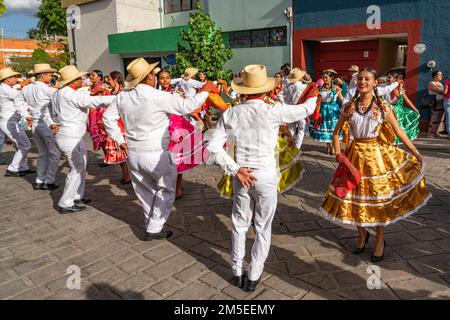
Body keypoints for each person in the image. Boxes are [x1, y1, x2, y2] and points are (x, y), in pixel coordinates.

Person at [205, 64, 317, 292]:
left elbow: (213, 147)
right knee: (263, 227)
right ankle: (253, 274)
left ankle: (237, 271)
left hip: (242, 174)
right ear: (266, 90)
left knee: (239, 224)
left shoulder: (230, 112)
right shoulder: (273, 110)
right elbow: (305, 109)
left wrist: (236, 169)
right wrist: (314, 91)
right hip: (265, 174)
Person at [319, 67, 431, 263]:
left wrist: (414, 151)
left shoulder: (383, 107)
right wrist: (338, 156)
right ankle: (362, 235)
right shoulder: (348, 107)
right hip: (353, 157)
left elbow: (398, 131)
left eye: (367, 79)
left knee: (377, 200)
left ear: (374, 83)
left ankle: (379, 238)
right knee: (352, 198)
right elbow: (336, 133)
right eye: (360, 79)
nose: (363, 82)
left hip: (376, 158)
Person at [103, 57, 210, 241]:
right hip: (156, 153)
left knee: (144, 190)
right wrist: (206, 91)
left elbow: (107, 117)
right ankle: (154, 227)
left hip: (133, 152)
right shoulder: (158, 96)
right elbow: (188, 106)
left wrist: (120, 139)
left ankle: (151, 222)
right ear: (150, 77)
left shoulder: (123, 96)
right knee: (165, 190)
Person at [51, 65, 115, 213]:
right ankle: (65, 202)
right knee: (76, 168)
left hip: (71, 135)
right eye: (80, 78)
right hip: (70, 136)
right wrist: (118, 97)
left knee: (81, 166)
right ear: (73, 81)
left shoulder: (59, 93)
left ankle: (77, 196)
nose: (83, 80)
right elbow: (93, 102)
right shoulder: (71, 94)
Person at [14, 63, 61, 190]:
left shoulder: (27, 88)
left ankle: (39, 180)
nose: (51, 76)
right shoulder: (47, 89)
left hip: (35, 123)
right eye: (50, 74)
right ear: (43, 75)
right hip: (46, 123)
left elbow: (17, 102)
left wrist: (25, 114)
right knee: (54, 153)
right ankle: (49, 180)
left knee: (42, 154)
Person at [0, 67, 34, 177]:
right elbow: (21, 95)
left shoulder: (6, 88)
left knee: (21, 145)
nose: (16, 78)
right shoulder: (5, 89)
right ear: (7, 79)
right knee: (25, 145)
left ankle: (22, 167)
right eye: (13, 76)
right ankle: (13, 168)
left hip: (11, 121)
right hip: (9, 122)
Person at [102, 71, 131, 184]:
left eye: (109, 79)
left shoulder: (123, 92)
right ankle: (125, 173)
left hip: (122, 124)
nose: (107, 81)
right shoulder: (110, 92)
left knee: (124, 150)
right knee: (118, 150)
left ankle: (128, 173)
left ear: (115, 79)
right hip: (113, 123)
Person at [310, 69, 345, 154]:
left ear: (331, 78)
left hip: (333, 110)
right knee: (326, 129)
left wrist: (339, 93)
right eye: (323, 77)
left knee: (334, 128)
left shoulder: (336, 88)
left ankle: (333, 146)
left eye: (326, 77)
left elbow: (342, 99)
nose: (324, 79)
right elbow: (316, 100)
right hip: (324, 110)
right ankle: (328, 146)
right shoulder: (320, 89)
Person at [384, 73, 420, 144]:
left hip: (398, 112)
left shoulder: (400, 90)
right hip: (387, 110)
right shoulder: (385, 89)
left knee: (397, 127)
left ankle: (395, 142)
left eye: (389, 77)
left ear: (395, 80)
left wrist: (415, 109)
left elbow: (407, 100)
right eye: (387, 77)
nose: (387, 79)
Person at [278, 68, 308, 149]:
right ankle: (297, 148)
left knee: (291, 129)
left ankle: (289, 146)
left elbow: (279, 95)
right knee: (301, 130)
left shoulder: (288, 86)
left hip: (290, 109)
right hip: (300, 109)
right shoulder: (304, 86)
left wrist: (285, 103)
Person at [427, 69, 445, 138]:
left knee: (440, 118)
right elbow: (440, 92)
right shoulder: (431, 83)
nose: (441, 76)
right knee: (434, 118)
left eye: (441, 75)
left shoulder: (440, 83)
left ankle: (436, 132)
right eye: (439, 75)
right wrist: (445, 90)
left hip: (441, 102)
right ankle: (430, 133)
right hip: (436, 102)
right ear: (435, 76)